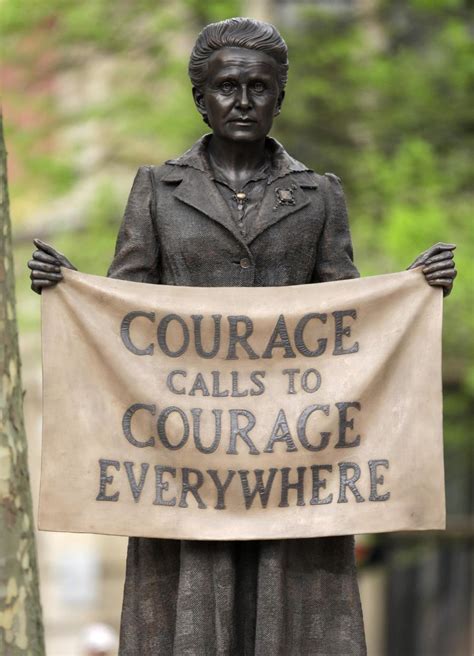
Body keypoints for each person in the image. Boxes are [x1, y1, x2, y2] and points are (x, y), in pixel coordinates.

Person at [28, 17, 456, 655]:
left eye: (259, 87)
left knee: (294, 610)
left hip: (295, 465)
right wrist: (69, 289)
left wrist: (412, 291)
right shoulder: (156, 190)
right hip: (185, 464)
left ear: (280, 97)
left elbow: (350, 322)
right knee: (190, 613)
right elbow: (124, 316)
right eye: (227, 87)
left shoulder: (319, 195)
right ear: (200, 98)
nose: (243, 101)